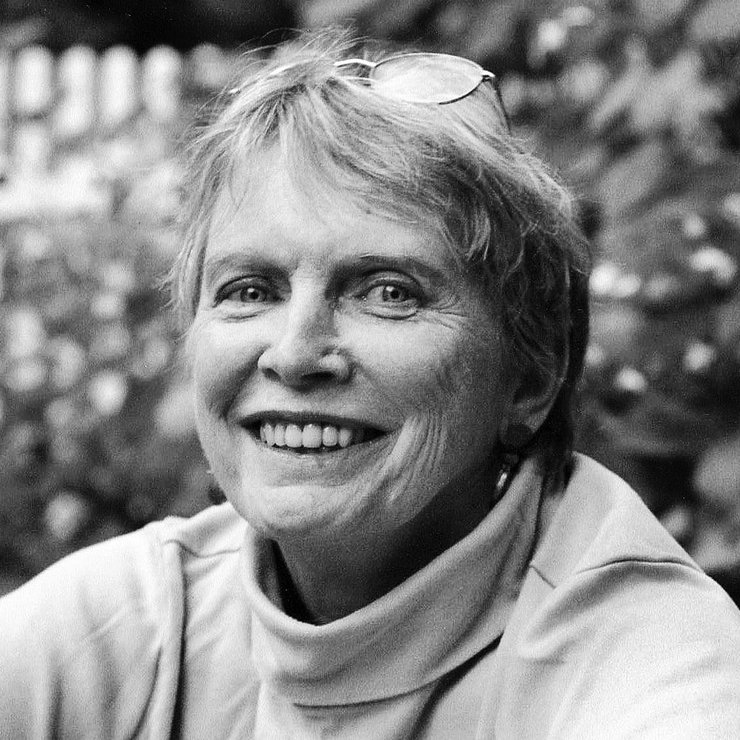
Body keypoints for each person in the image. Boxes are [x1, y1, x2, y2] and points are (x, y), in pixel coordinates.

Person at [2, 30, 740, 738]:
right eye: (251, 290)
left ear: (531, 373)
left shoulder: (651, 656)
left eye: (388, 292)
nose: (295, 355)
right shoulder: (135, 626)